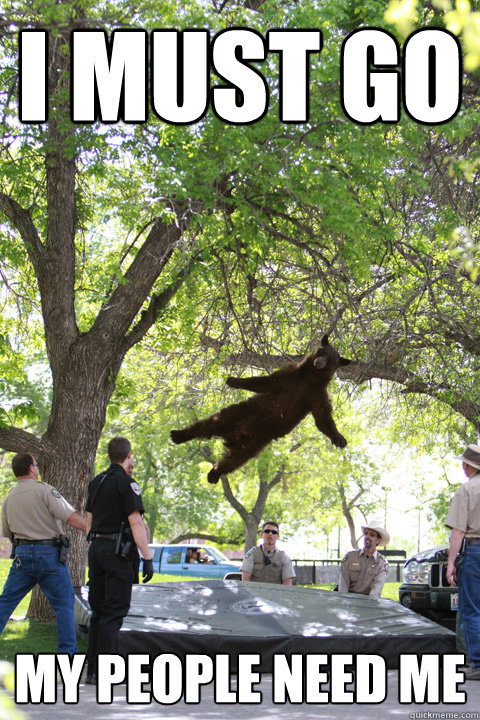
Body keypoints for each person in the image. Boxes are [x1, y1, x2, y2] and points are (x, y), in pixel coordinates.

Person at [0, 452, 87, 655]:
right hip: (48, 554)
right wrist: (91, 531)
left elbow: (7, 533)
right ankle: (67, 657)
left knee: (6, 601)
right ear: (31, 468)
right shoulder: (45, 490)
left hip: (21, 555)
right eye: (36, 465)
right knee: (64, 605)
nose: (37, 468)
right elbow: (69, 517)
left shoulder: (9, 498)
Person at [85, 436, 154, 684]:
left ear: (108, 456)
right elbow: (135, 522)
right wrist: (147, 557)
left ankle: (92, 669)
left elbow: (89, 523)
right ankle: (107, 672)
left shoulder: (96, 482)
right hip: (118, 552)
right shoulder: (127, 484)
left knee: (98, 611)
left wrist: (95, 547)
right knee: (114, 612)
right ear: (129, 456)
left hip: (97, 550)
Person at [445, 443, 480, 681]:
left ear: (468, 466)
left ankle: (477, 662)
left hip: (476, 553)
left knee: (471, 609)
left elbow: (458, 531)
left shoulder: (466, 490)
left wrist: (451, 563)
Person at [338, 521, 389, 599]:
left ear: (378, 540)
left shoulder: (382, 564)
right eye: (366, 533)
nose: (367, 536)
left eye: (372, 535)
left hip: (367, 605)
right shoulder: (349, 557)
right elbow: (343, 587)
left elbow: (376, 591)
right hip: (348, 601)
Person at [241, 520, 295, 584]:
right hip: (255, 593)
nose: (270, 534)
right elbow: (245, 582)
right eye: (267, 531)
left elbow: (287, 585)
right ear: (261, 535)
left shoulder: (284, 557)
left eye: (274, 532)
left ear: (278, 536)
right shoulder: (252, 553)